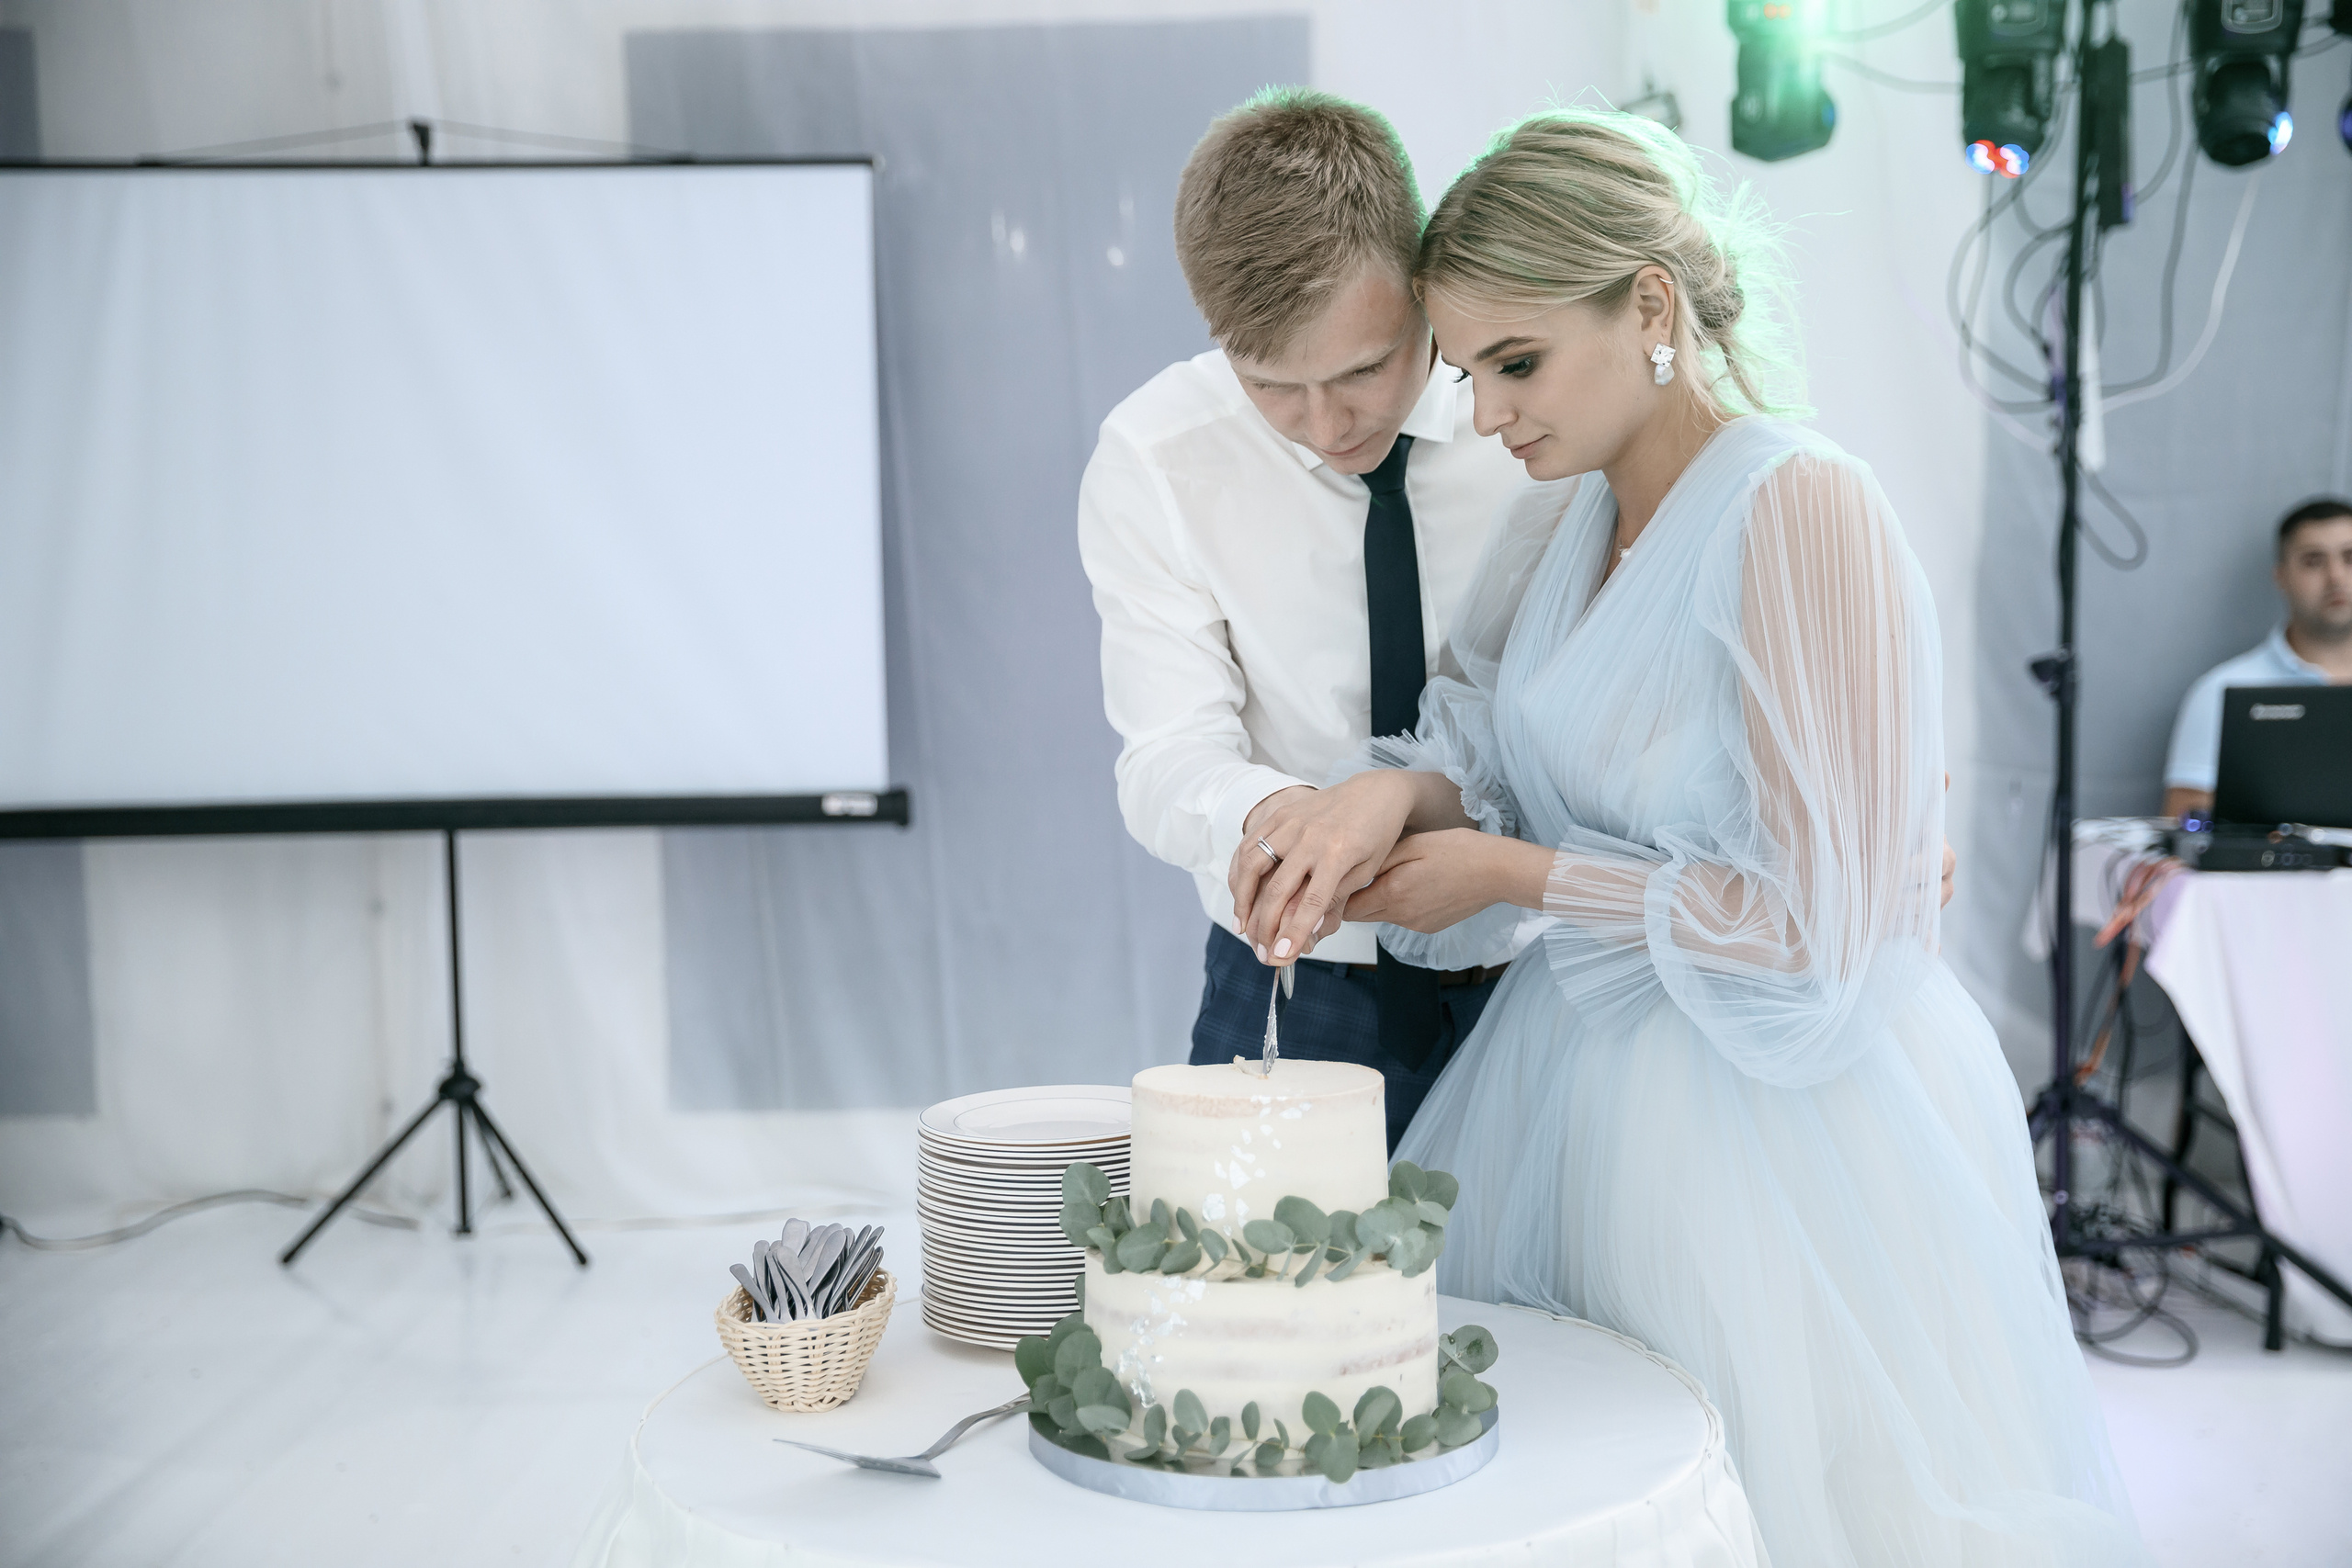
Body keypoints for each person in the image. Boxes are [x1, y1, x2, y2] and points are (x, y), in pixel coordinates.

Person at [1235, 110, 2148, 1563]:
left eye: (1516, 363)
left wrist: (1510, 876)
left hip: (1774, 1127)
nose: (1488, 416)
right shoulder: (1566, 522)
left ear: (1649, 307)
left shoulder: (1798, 506)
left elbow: (1810, 925)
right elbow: (1491, 755)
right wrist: (1377, 804)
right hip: (1578, 1079)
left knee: (1766, 1494)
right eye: (1468, 375)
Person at [1077, 90, 1531, 1146]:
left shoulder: (1535, 415)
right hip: (1296, 979)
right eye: (1272, 385)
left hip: (1543, 964)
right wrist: (1292, 819)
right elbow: (1164, 757)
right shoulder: (1156, 457)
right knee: (1244, 1259)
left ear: (1420, 282)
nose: (1327, 426)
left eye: (1363, 369)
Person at [2162, 497, 2352, 821]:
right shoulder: (2223, 690)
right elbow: (2183, 823)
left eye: (2350, 557)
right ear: (2281, 576)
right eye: (2313, 561)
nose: (2336, 577)